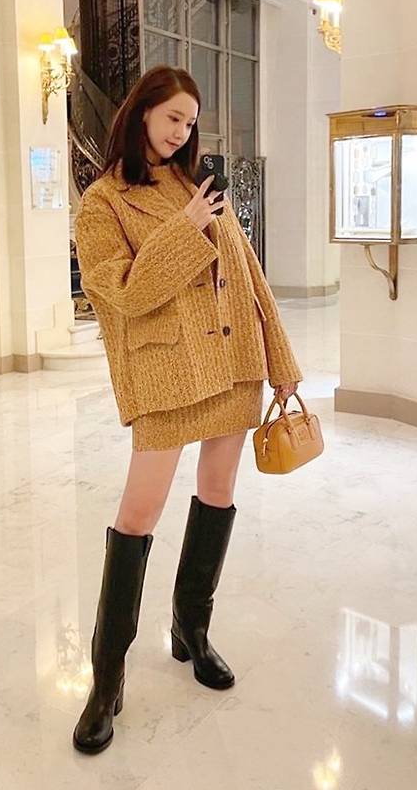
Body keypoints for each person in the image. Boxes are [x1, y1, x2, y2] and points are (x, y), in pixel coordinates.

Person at [72, 65, 302, 754]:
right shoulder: (102, 204)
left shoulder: (197, 184)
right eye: (172, 116)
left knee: (218, 493)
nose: (181, 131)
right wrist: (187, 228)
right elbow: (122, 294)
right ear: (142, 112)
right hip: (167, 372)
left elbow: (248, 273)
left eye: (190, 121)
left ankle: (191, 629)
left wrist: (282, 363)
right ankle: (106, 678)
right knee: (138, 515)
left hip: (233, 362)